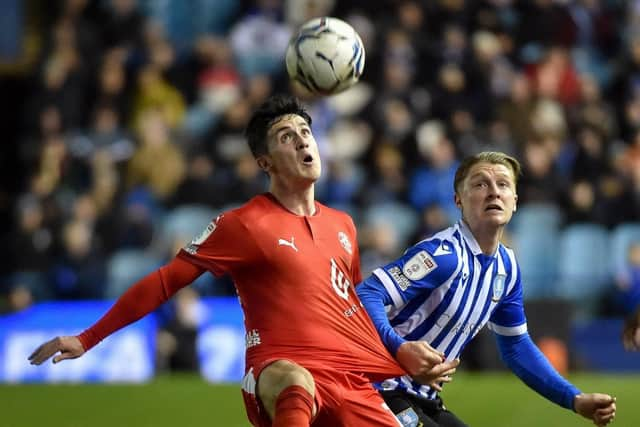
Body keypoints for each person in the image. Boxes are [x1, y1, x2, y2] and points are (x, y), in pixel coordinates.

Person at [28, 94, 458, 427]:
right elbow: (165, 281)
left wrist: (399, 352)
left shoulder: (343, 225)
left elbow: (352, 317)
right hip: (277, 369)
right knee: (294, 381)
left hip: (347, 379)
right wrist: (87, 338)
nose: (302, 138)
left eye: (305, 130)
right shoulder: (244, 224)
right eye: (286, 136)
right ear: (264, 162)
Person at [356, 152, 617, 427]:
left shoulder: (507, 268)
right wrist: (400, 348)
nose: (493, 192)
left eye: (503, 185)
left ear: (515, 201)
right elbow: (367, 294)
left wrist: (574, 399)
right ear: (458, 200)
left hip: (422, 397)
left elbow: (516, 346)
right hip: (379, 389)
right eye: (480, 184)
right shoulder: (443, 254)